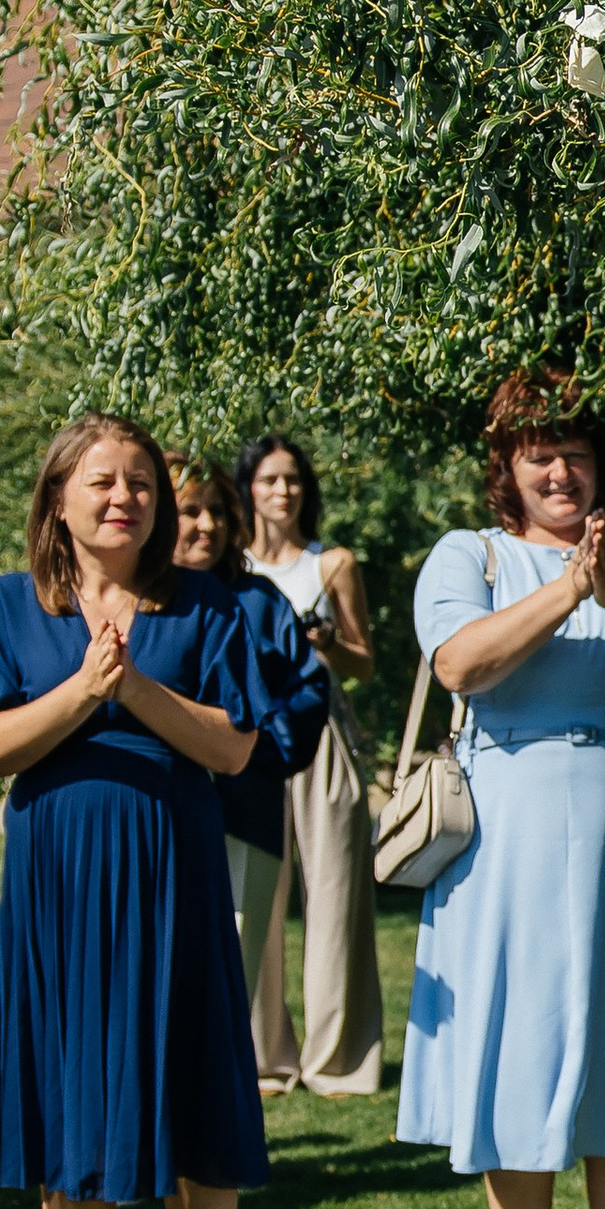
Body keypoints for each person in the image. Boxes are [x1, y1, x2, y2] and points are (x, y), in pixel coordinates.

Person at [0, 418, 266, 1209]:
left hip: (174, 878)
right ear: (58, 499)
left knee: (192, 1075)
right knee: (67, 1086)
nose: (126, 498)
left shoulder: (204, 604)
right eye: (103, 482)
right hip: (58, 890)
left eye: (142, 485)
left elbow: (233, 747)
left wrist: (135, 690)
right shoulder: (7, 607)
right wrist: (85, 690)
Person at [399, 371, 605, 1209]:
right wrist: (565, 591)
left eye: (577, 452)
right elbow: (460, 665)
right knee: (517, 1042)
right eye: (538, 452)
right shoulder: (472, 555)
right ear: (506, 466)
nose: (560, 469)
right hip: (505, 841)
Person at [238, 434, 384, 1097]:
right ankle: (265, 1056)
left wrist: (328, 643)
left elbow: (364, 661)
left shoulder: (333, 565)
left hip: (321, 733)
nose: (282, 491)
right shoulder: (229, 566)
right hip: (250, 736)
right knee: (254, 899)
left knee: (334, 897)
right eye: (269, 479)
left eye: (292, 479)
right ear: (249, 488)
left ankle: (336, 1061)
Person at [173, 461, 331, 993]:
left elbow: (306, 695)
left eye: (218, 510)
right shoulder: (131, 602)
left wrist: (244, 751)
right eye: (189, 511)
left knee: (230, 981)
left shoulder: (259, 602)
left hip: (246, 811)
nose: (207, 525)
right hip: (156, 813)